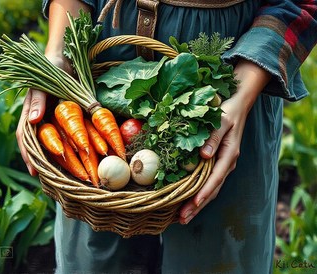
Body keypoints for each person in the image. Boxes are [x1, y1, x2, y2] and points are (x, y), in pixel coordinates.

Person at [16, 0, 317, 273]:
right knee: (93, 259)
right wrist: (59, 54)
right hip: (103, 59)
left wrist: (239, 94)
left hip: (224, 82)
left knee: (219, 256)